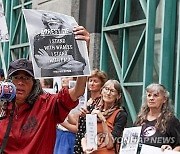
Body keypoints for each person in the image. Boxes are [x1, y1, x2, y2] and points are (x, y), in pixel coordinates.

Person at [0, 26, 90, 154]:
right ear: (8, 81)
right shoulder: (2, 106)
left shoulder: (47, 104)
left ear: (34, 84)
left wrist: (84, 54)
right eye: (16, 77)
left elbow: (78, 91)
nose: (20, 82)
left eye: (26, 78)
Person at [81, 80, 128, 154]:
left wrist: (103, 120)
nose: (108, 93)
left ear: (118, 96)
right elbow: (84, 136)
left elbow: (110, 144)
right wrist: (85, 148)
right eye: (106, 89)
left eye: (112, 91)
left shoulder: (120, 114)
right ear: (101, 91)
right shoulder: (95, 110)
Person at [34, 13, 86, 77]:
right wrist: (69, 57)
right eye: (48, 19)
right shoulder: (40, 38)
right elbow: (41, 63)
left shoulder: (73, 37)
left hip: (71, 81)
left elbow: (79, 66)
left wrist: (50, 63)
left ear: (61, 21)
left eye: (54, 18)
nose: (51, 20)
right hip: (49, 81)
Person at [134, 83, 180, 152]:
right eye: (149, 95)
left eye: (155, 95)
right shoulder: (140, 119)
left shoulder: (171, 121)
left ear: (164, 99)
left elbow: (178, 146)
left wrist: (170, 151)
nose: (151, 98)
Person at [74, 69, 108, 154]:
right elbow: (78, 125)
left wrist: (88, 116)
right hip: (80, 137)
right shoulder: (86, 100)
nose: (92, 83)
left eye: (95, 81)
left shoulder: (101, 101)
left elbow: (102, 120)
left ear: (101, 85)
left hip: (91, 138)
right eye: (90, 81)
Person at [54, 76, 78, 154]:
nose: (63, 79)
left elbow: (76, 126)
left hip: (69, 137)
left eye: (67, 77)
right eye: (62, 78)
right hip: (59, 134)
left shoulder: (80, 98)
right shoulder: (58, 95)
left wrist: (59, 120)